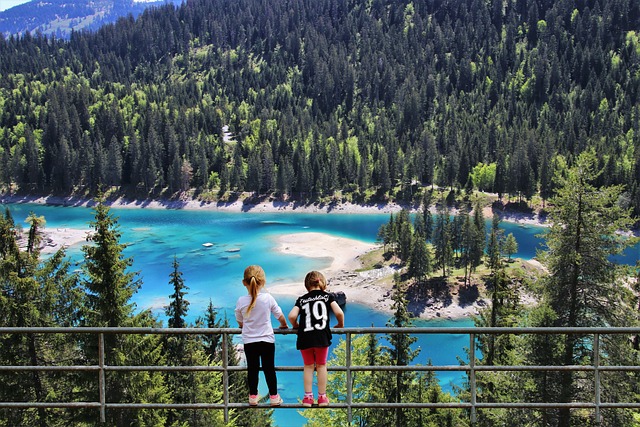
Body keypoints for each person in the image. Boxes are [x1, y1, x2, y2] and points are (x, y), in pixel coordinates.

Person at [288, 270, 345, 407]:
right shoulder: (327, 297)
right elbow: (339, 312)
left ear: (307, 285)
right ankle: (322, 397)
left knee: (308, 366)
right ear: (321, 282)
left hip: (305, 336)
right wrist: (340, 324)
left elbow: (291, 316)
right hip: (321, 336)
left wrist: (296, 325)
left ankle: (307, 397)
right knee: (321, 365)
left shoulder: (302, 299)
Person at [235, 265, 288, 406]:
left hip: (249, 341)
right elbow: (279, 315)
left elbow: (239, 319)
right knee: (269, 369)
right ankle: (274, 397)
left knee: (252, 369)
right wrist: (283, 325)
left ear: (244, 282)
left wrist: (242, 326)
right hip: (266, 340)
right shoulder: (268, 298)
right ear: (263, 281)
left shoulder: (241, 300)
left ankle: (253, 397)